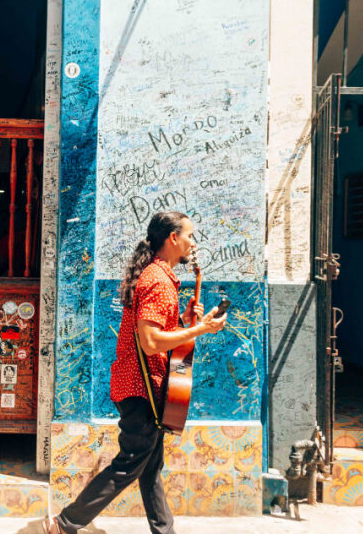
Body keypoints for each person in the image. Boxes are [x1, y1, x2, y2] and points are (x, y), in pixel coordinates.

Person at [43, 211, 226, 534]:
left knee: (150, 467)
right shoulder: (158, 281)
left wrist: (184, 321)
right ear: (173, 238)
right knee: (129, 464)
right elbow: (151, 342)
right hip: (142, 389)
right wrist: (200, 329)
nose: (192, 242)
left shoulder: (159, 276)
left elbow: (155, 333)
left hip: (142, 386)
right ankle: (64, 524)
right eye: (189, 235)